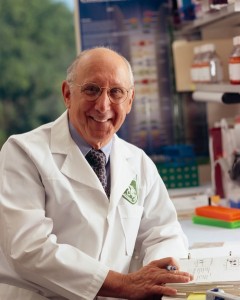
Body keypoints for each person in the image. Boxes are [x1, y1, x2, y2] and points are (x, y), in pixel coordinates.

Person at [0, 47, 192, 300]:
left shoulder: (139, 162)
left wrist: (156, 275)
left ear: (130, 100)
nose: (103, 106)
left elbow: (164, 232)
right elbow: (29, 250)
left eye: (116, 92)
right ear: (68, 94)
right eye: (91, 89)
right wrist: (125, 284)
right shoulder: (22, 152)